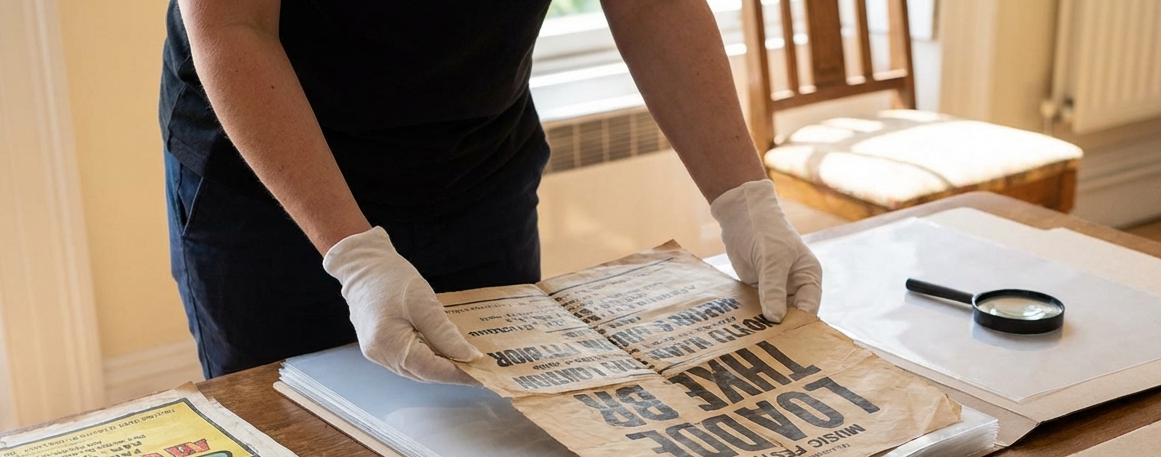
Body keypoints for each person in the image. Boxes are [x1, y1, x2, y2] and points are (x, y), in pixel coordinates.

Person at [161, 1, 822, 381]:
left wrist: (744, 199)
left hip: (477, 171)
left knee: (497, 447)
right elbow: (231, 26)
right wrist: (353, 254)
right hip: (277, 195)